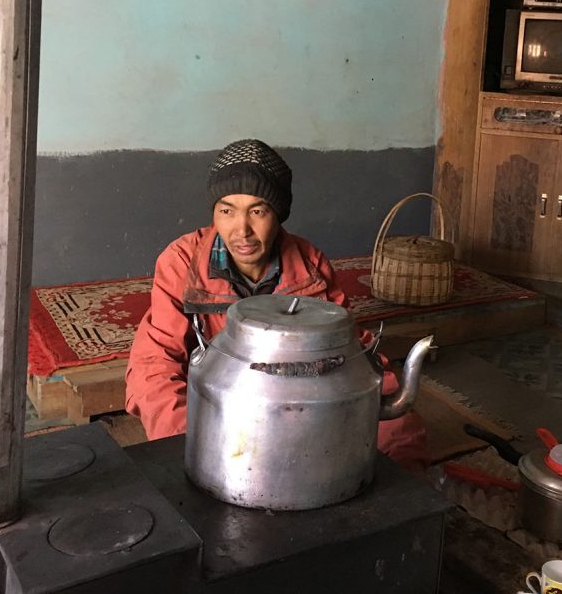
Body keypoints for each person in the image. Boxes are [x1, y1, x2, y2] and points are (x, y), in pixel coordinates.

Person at [125, 138, 429, 471]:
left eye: (258, 211)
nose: (242, 230)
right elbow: (154, 366)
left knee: (400, 442)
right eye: (227, 211)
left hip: (296, 404)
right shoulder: (182, 262)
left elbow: (352, 354)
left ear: (279, 214)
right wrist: (194, 445)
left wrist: (395, 440)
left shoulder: (308, 265)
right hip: (214, 407)